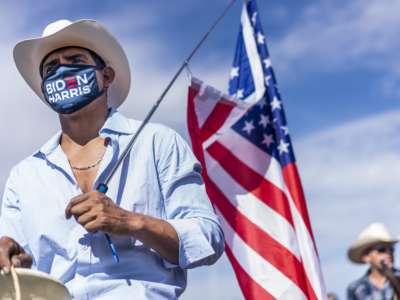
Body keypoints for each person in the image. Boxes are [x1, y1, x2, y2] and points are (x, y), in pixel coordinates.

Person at [0, 19, 224, 299]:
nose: (62, 70)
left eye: (74, 59)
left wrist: (131, 222)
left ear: (106, 76)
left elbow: (208, 237)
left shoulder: (156, 142)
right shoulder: (24, 176)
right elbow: (19, 267)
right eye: (51, 68)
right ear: (45, 90)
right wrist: (13, 257)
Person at [347, 222, 400, 300]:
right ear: (366, 257)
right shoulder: (355, 289)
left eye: (391, 249)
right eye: (381, 250)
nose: (388, 254)